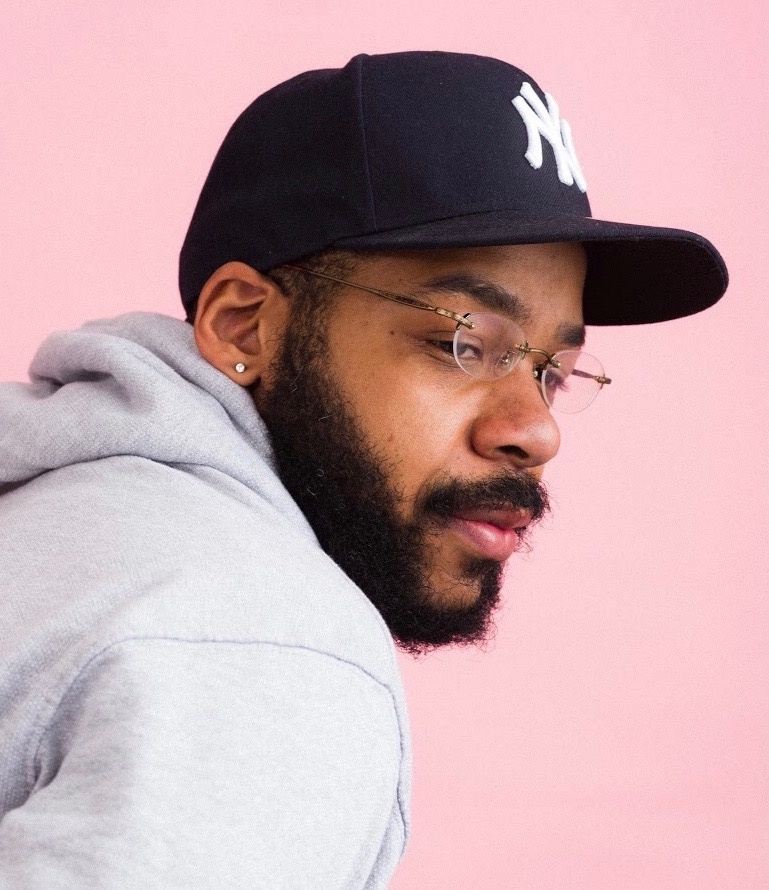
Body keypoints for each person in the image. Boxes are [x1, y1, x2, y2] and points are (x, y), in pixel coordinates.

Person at [0, 51, 727, 887]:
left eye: (550, 371)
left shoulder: (58, 522)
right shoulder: (264, 645)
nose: (534, 430)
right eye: (465, 342)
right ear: (243, 326)